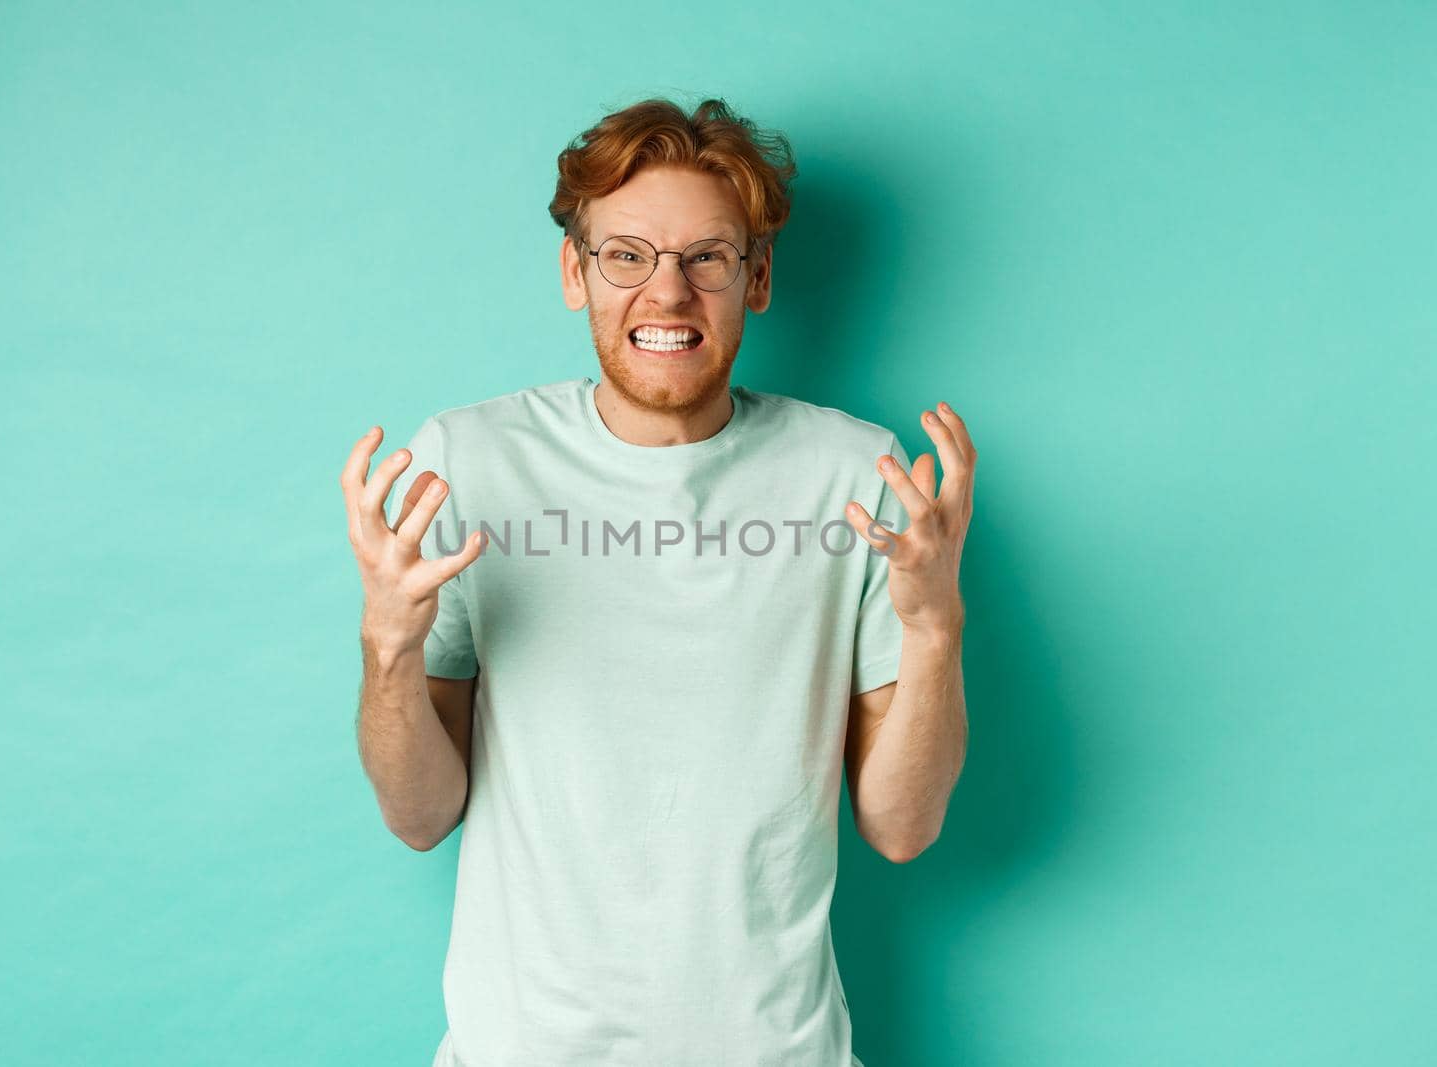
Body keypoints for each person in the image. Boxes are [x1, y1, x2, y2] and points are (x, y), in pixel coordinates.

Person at [341, 96, 974, 1067]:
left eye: (705, 257)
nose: (666, 293)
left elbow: (901, 824)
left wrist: (933, 627)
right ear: (574, 272)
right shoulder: (469, 462)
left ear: (755, 278)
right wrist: (387, 642)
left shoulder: (855, 477)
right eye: (626, 255)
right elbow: (419, 814)